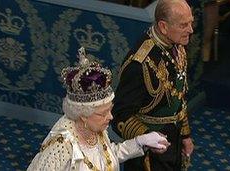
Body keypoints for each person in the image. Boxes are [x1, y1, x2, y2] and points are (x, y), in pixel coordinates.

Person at [27, 47, 171, 171]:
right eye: (103, 113)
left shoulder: (94, 128)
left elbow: (107, 158)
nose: (110, 117)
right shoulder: (61, 146)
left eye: (110, 110)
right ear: (83, 115)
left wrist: (140, 141)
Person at [110, 0, 194, 170]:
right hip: (147, 154)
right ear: (163, 27)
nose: (190, 30)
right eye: (184, 25)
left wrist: (185, 134)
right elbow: (120, 115)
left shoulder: (177, 47)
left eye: (191, 22)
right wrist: (147, 138)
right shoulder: (140, 63)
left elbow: (178, 97)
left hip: (173, 140)